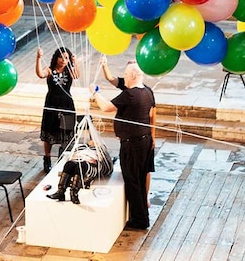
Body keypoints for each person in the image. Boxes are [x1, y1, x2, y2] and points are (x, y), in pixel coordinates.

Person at [91, 60, 156, 231]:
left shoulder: (130, 95)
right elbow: (151, 115)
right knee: (140, 179)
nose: (124, 78)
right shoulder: (148, 92)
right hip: (144, 140)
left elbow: (105, 107)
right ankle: (142, 215)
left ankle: (139, 220)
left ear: (133, 76)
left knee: (132, 180)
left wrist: (95, 93)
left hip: (132, 144)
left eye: (126, 75)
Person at [36, 46, 79, 173]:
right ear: (56, 57)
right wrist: (38, 58)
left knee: (66, 131)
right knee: (49, 131)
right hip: (52, 104)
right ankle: (47, 158)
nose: (63, 60)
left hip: (67, 104)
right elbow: (40, 74)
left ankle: (63, 157)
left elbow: (77, 75)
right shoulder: (49, 70)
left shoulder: (69, 70)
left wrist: (75, 62)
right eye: (61, 57)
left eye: (66, 58)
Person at [46, 141, 113, 204]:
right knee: (69, 164)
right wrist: (76, 157)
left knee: (81, 165)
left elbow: (107, 165)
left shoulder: (100, 150)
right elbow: (72, 155)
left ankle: (74, 193)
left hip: (91, 165)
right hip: (79, 159)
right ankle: (60, 192)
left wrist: (96, 162)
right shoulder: (82, 147)